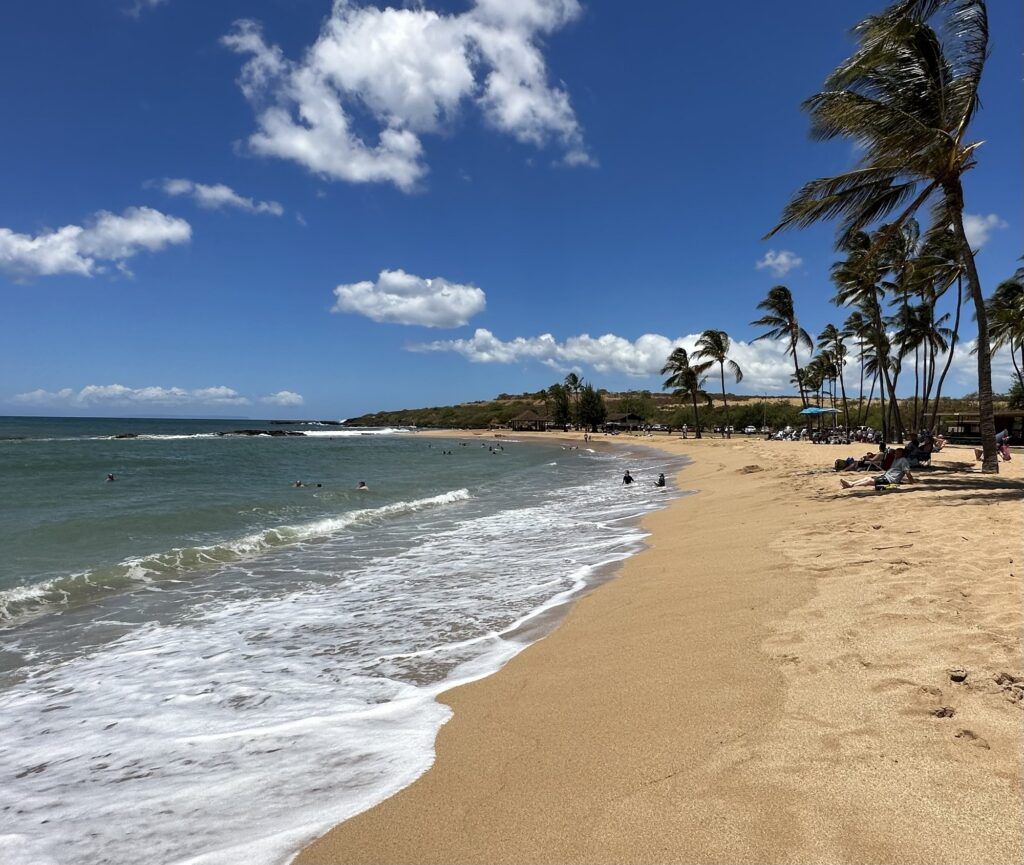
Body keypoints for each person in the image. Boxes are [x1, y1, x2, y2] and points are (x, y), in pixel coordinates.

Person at [840, 448, 915, 490]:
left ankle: (851, 484)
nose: (896, 454)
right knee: (867, 478)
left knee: (869, 481)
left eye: (898, 453)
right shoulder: (896, 459)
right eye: (896, 453)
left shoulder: (903, 460)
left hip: (890, 480)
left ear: (902, 454)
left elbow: (907, 472)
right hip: (886, 476)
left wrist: (912, 482)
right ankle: (851, 483)